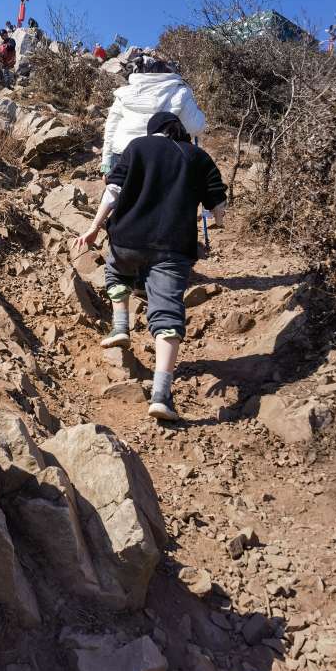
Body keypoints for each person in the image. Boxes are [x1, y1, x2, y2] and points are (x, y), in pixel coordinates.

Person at [75, 112, 227, 421]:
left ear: (153, 130)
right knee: (167, 312)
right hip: (173, 247)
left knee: (116, 272)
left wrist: (93, 228)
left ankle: (120, 327)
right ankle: (161, 395)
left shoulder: (138, 147)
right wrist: (218, 220)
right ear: (179, 131)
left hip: (128, 239)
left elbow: (113, 191)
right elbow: (217, 202)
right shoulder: (197, 156)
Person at [101, 56, 205, 176]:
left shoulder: (124, 93)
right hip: (161, 158)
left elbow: (111, 129)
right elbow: (195, 127)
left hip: (122, 155)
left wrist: (106, 164)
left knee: (119, 188)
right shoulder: (180, 92)